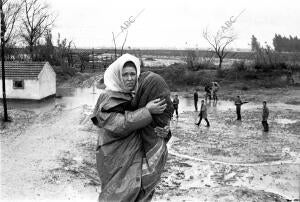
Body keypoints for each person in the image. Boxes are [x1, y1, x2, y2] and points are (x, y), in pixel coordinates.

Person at [91, 54, 169, 201]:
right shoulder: (108, 97)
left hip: (135, 155)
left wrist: (164, 129)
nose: (129, 78)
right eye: (125, 74)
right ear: (117, 75)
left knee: (136, 192)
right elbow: (120, 124)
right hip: (115, 157)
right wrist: (147, 111)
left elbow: (149, 124)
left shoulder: (136, 96)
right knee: (117, 194)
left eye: (133, 74)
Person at [131, 70, 173, 200]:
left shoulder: (156, 128)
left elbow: (162, 124)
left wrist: (166, 131)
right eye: (158, 100)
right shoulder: (123, 104)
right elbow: (120, 126)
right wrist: (146, 111)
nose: (164, 105)